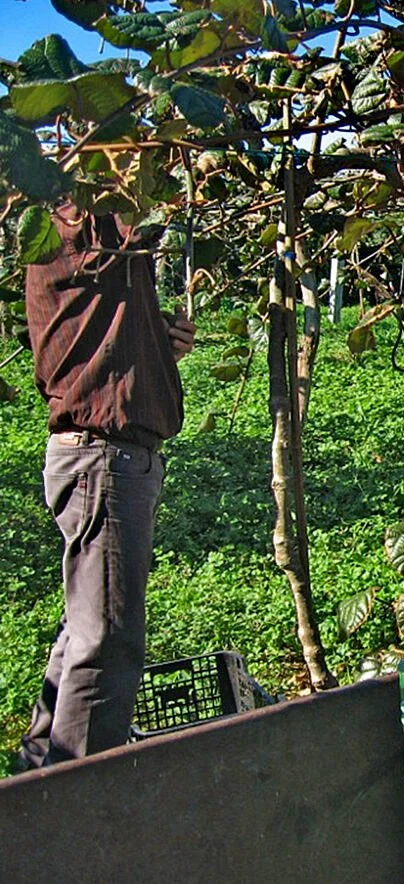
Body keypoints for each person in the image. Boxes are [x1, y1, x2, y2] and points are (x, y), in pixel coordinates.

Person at [17, 206, 196, 769]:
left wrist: (157, 345)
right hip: (103, 458)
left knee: (85, 630)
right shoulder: (73, 219)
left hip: (109, 457)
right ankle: (77, 810)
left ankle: (38, 782)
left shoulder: (106, 258)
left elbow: (103, 340)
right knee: (108, 646)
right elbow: (135, 207)